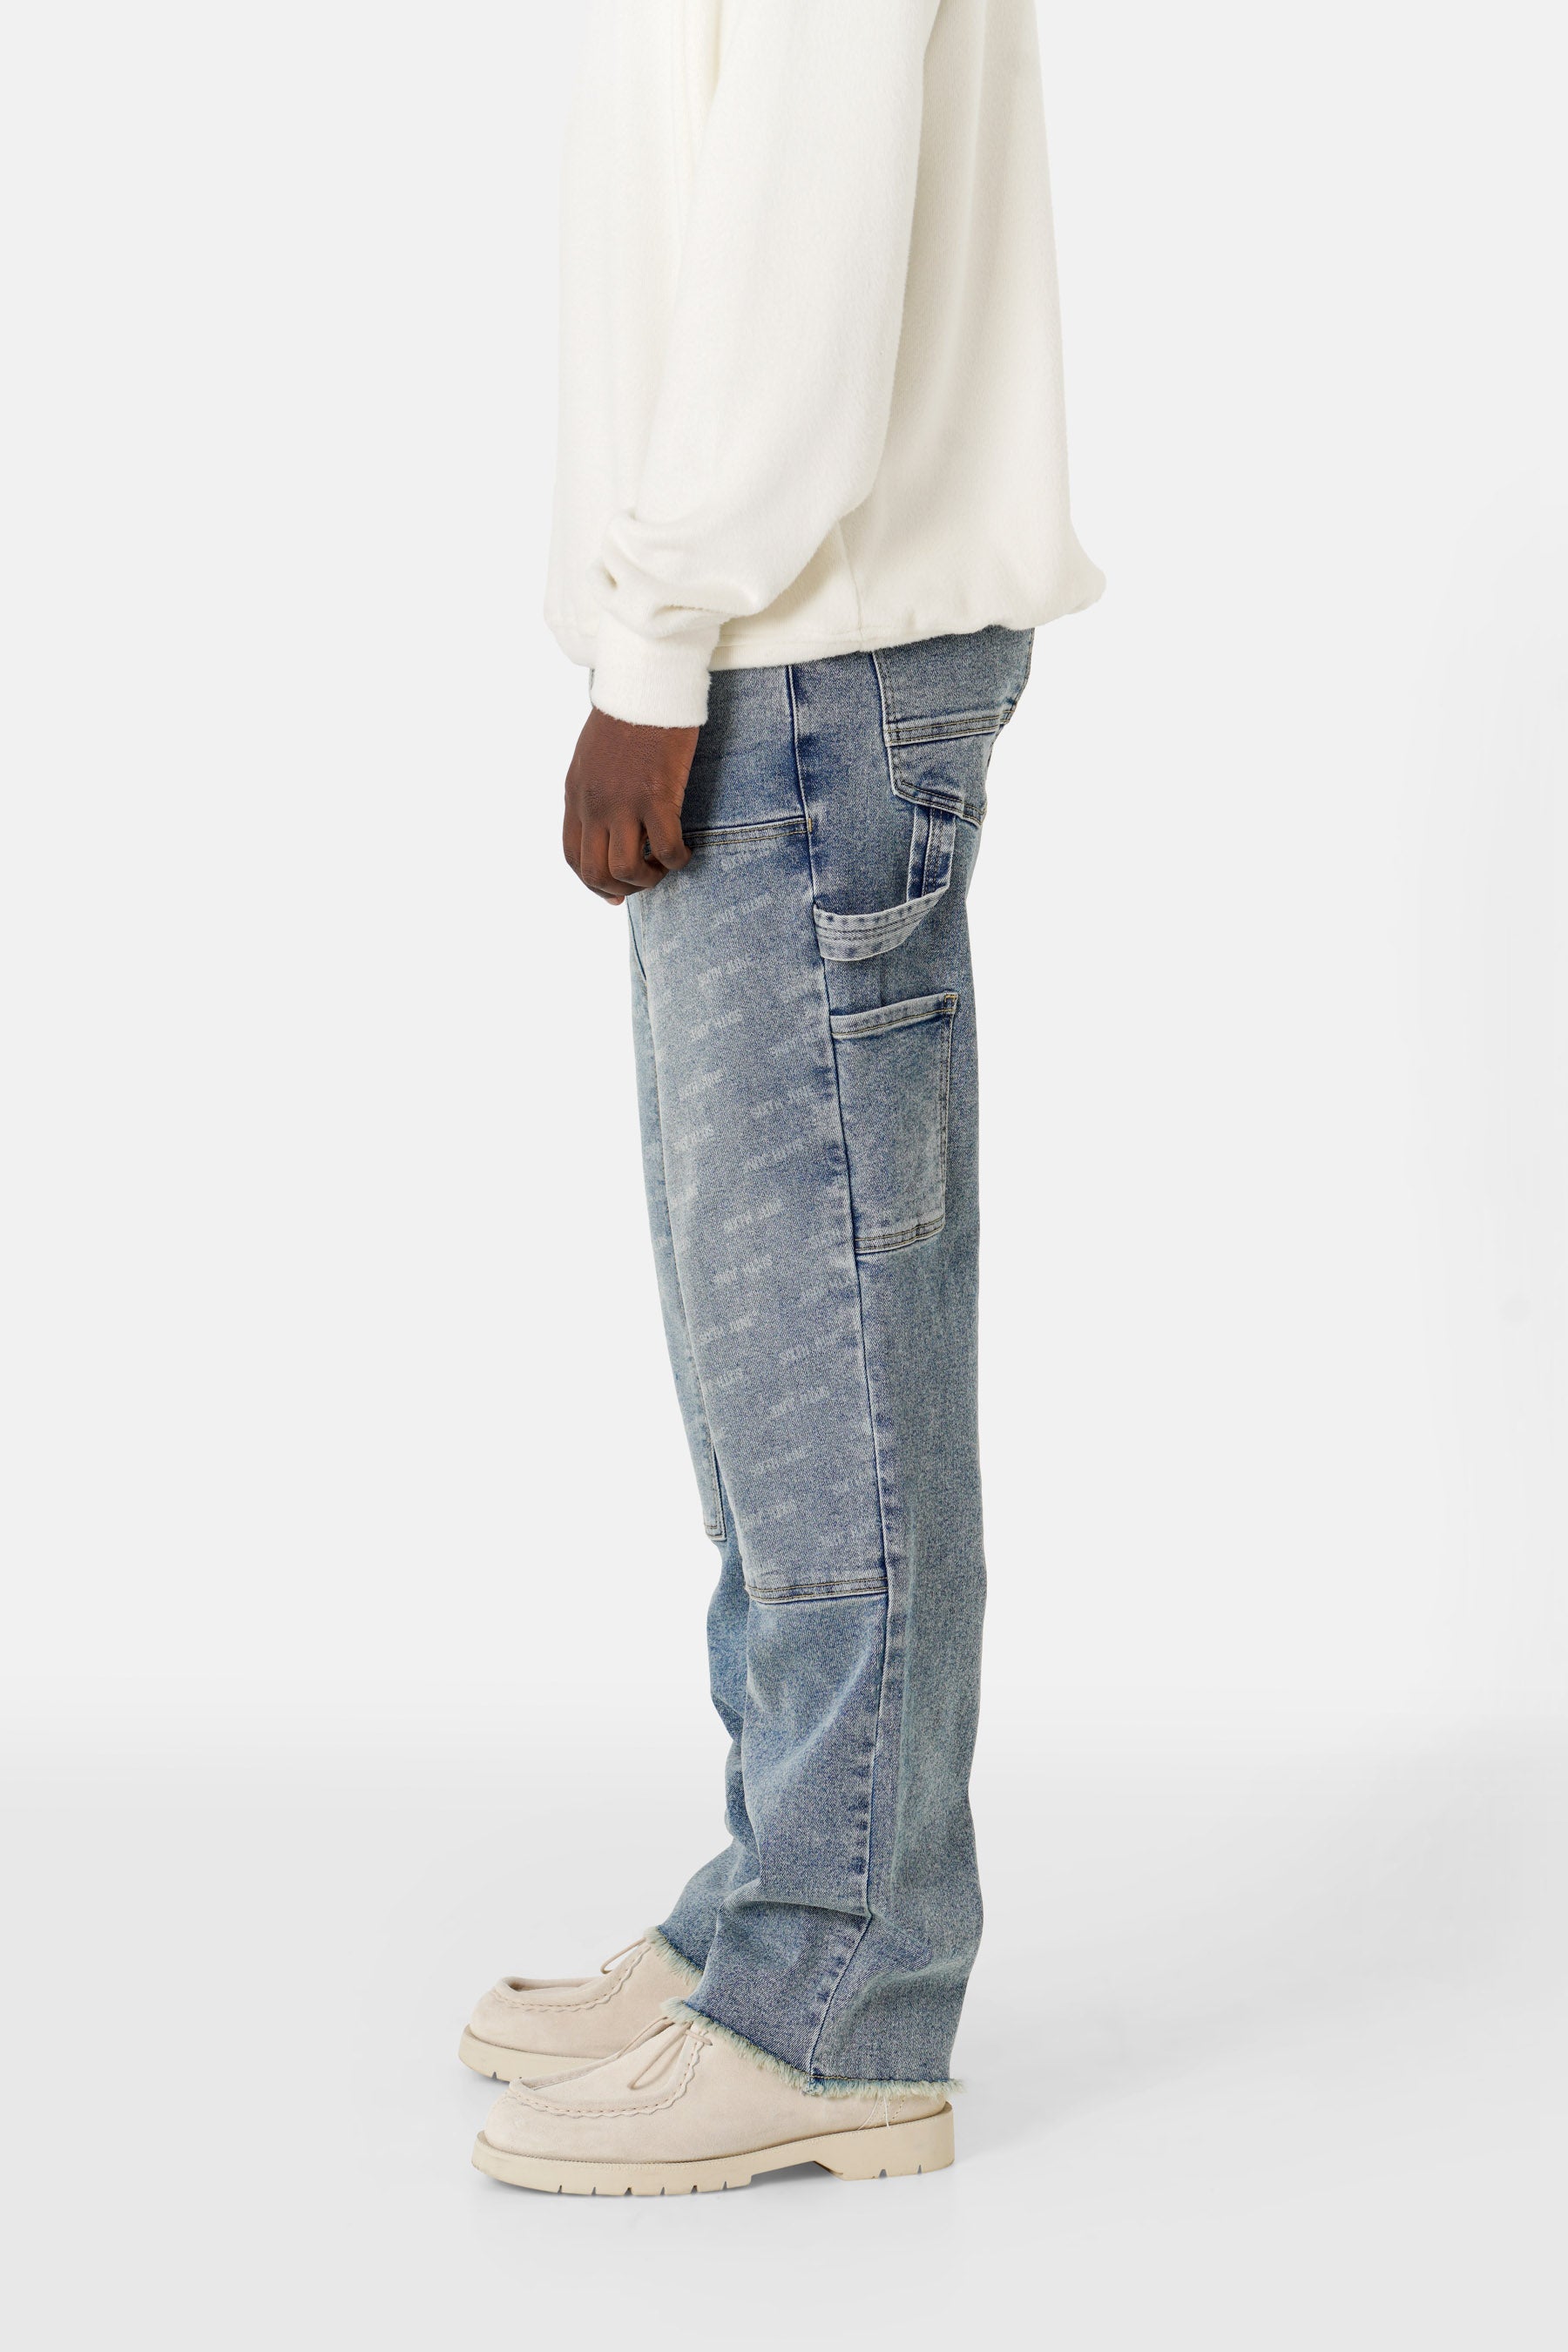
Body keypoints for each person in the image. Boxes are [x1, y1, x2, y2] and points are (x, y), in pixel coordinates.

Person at [462, 0, 1102, 2196]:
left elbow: (794, 256)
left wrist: (659, 643)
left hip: (796, 665)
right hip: (775, 657)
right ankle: (782, 1893)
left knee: (829, 1370)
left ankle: (838, 1994)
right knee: (774, 1377)